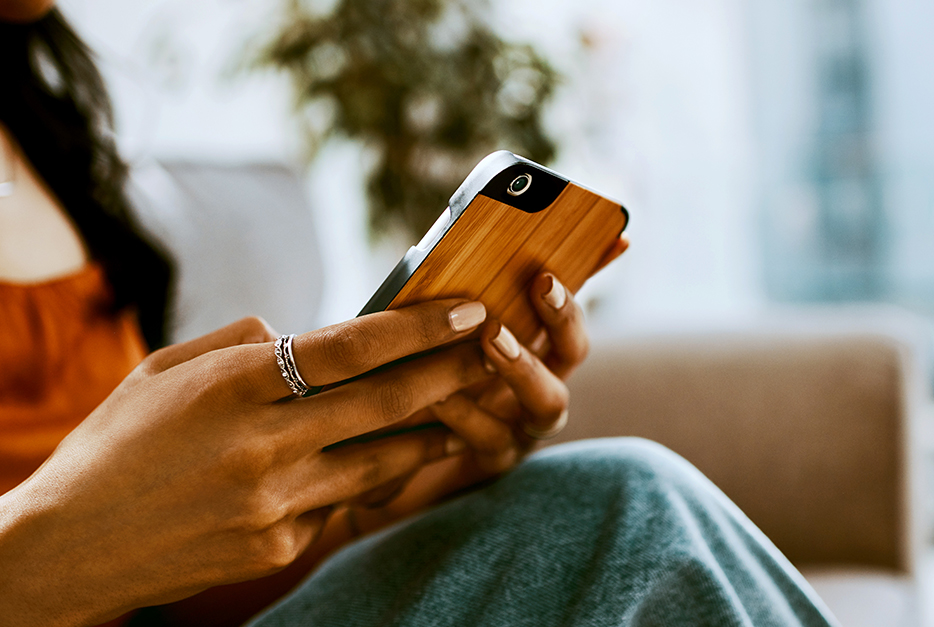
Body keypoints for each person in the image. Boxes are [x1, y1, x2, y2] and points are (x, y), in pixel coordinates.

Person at [0, 2, 839, 627]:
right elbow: (82, 551)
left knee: (613, 507)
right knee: (629, 504)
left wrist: (394, 481)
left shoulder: (43, 138)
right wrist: (43, 549)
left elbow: (152, 577)